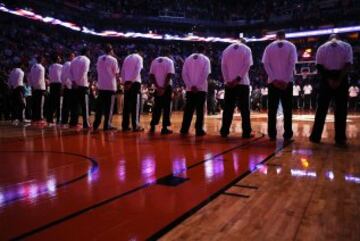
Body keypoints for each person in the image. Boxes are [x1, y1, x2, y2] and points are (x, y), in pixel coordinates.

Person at [310, 34, 353, 145]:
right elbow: (348, 65)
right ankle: (340, 139)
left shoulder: (322, 47)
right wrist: (338, 80)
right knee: (341, 110)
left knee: (321, 110)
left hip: (326, 79)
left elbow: (319, 66)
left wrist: (329, 80)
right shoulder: (347, 46)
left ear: (329, 39)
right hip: (341, 78)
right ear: (339, 38)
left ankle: (315, 137)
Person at [262, 31, 298, 141]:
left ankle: (272, 133)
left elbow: (265, 64)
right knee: (287, 110)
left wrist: (274, 79)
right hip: (287, 82)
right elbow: (292, 63)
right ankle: (287, 133)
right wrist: (286, 80)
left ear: (276, 37)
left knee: (272, 110)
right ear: (284, 36)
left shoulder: (269, 47)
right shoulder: (291, 46)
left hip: (273, 83)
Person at [220, 39, 254, 138]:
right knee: (244, 109)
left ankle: (224, 131)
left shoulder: (226, 50)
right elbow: (247, 65)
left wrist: (227, 80)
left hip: (229, 84)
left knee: (228, 109)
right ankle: (246, 132)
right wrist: (238, 79)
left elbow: (223, 66)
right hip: (242, 83)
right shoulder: (246, 49)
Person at [180, 45, 211, 136]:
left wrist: (190, 85)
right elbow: (205, 74)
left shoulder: (188, 59)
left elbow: (184, 74)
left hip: (190, 89)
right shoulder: (205, 59)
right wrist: (197, 85)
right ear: (204, 51)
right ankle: (199, 130)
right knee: (200, 110)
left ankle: (184, 129)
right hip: (201, 89)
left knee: (188, 110)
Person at [93, 44, 120, 131]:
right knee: (109, 108)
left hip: (101, 85)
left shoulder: (99, 58)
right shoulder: (113, 59)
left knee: (99, 108)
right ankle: (107, 125)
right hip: (110, 86)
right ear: (111, 50)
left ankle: (96, 124)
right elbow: (116, 73)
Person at [149, 48, 175, 134]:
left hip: (157, 87)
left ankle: (153, 125)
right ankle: (164, 128)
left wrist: (158, 87)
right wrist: (163, 88)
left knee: (157, 107)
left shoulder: (154, 61)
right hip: (166, 87)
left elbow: (151, 76)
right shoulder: (169, 61)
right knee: (167, 108)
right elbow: (169, 75)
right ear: (168, 54)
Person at [121, 50, 144, 132]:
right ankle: (136, 126)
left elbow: (122, 71)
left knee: (126, 105)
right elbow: (137, 71)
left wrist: (124, 83)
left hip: (126, 82)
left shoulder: (126, 58)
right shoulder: (139, 58)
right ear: (139, 53)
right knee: (136, 105)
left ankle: (125, 125)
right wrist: (131, 82)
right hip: (134, 83)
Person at [70, 48, 91, 129]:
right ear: (86, 52)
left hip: (74, 85)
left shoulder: (74, 60)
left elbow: (70, 71)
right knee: (84, 106)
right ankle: (86, 123)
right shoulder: (86, 60)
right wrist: (78, 82)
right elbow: (84, 72)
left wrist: (74, 82)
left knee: (75, 105)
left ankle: (73, 122)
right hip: (82, 85)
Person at [47, 54, 63, 125]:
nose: (60, 59)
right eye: (59, 58)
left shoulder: (50, 66)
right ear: (57, 59)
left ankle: (49, 119)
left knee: (51, 103)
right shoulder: (60, 66)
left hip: (52, 85)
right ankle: (58, 119)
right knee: (58, 103)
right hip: (58, 85)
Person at [30, 55, 46, 123]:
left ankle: (34, 117)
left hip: (34, 87)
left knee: (34, 103)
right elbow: (40, 78)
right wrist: (37, 86)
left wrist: (33, 86)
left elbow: (30, 77)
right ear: (41, 60)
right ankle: (40, 118)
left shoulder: (33, 67)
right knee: (40, 103)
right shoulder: (41, 68)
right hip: (40, 87)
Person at [61, 51, 75, 126]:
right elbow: (67, 76)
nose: (74, 57)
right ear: (69, 57)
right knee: (70, 105)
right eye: (73, 56)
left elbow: (62, 76)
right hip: (70, 86)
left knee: (65, 105)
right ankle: (68, 121)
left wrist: (63, 85)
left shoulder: (65, 64)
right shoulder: (70, 64)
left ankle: (64, 121)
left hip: (66, 86)